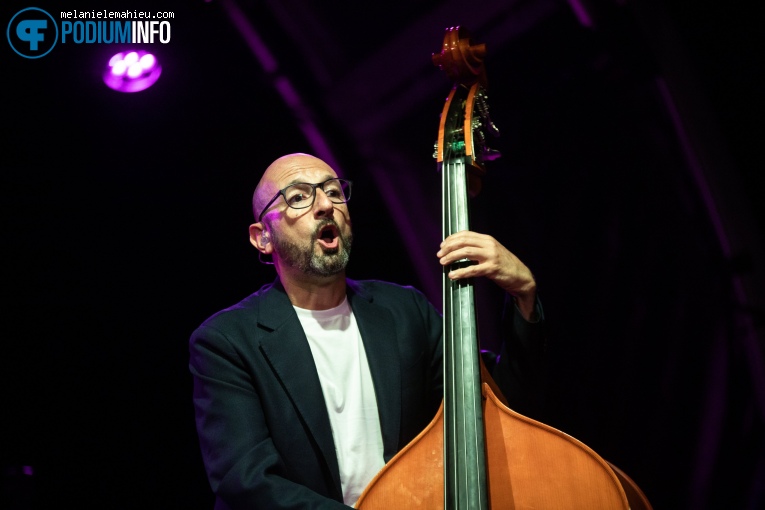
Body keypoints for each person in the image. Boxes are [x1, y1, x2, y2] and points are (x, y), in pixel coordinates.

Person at [189, 153, 545, 509]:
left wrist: (524, 294)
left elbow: (495, 407)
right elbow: (247, 483)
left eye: (333, 191)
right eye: (299, 196)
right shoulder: (226, 341)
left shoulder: (405, 311)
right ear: (262, 237)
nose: (326, 205)